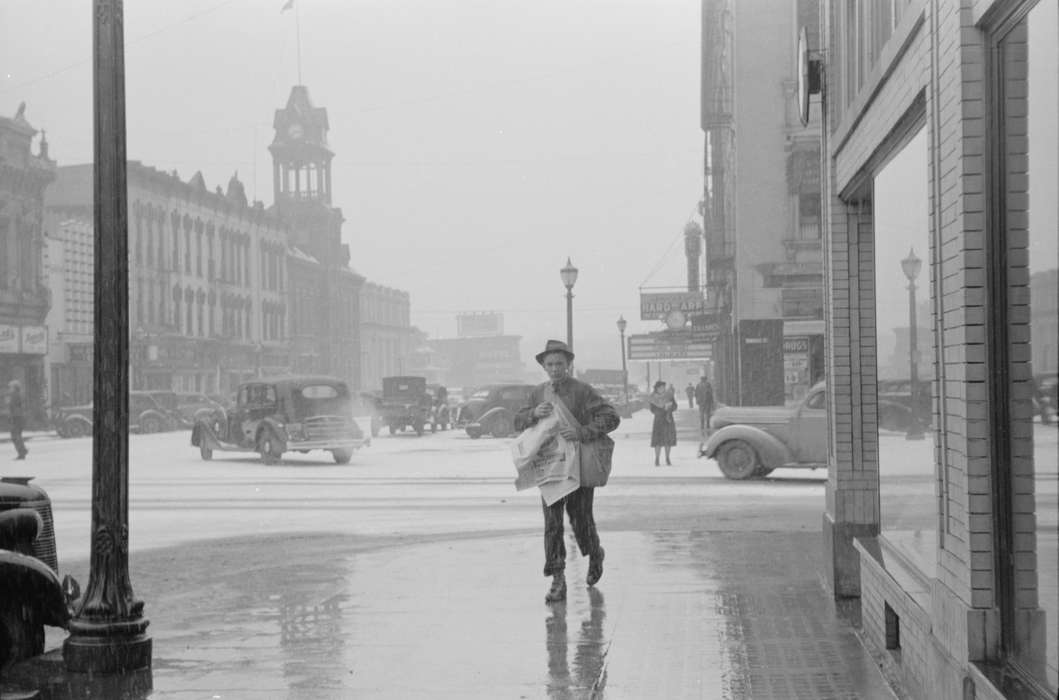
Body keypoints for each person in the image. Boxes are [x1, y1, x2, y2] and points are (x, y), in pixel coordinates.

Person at [515, 339, 620, 604]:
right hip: (549, 469)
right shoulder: (538, 393)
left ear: (568, 364)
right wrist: (532, 414)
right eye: (549, 364)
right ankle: (557, 579)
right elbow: (518, 421)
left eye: (559, 364)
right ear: (543, 366)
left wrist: (583, 431)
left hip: (578, 468)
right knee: (552, 524)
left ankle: (595, 553)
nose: (554, 369)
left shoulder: (583, 391)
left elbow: (611, 417)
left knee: (581, 521)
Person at [648, 381, 677, 466]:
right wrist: (661, 410)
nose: (662, 389)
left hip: (668, 420)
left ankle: (667, 458)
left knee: (668, 440)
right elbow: (652, 410)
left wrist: (670, 407)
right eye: (660, 387)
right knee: (658, 441)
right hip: (658, 421)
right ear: (657, 388)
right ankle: (657, 459)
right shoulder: (653, 398)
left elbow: (675, 406)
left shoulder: (669, 396)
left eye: (663, 387)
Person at [6, 380, 28, 460]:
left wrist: (12, 416)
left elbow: (13, 407)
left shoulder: (15, 395)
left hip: (16, 417)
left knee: (15, 436)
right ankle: (22, 451)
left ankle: (22, 452)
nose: (9, 388)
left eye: (11, 387)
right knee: (17, 435)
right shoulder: (18, 395)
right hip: (19, 417)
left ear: (14, 388)